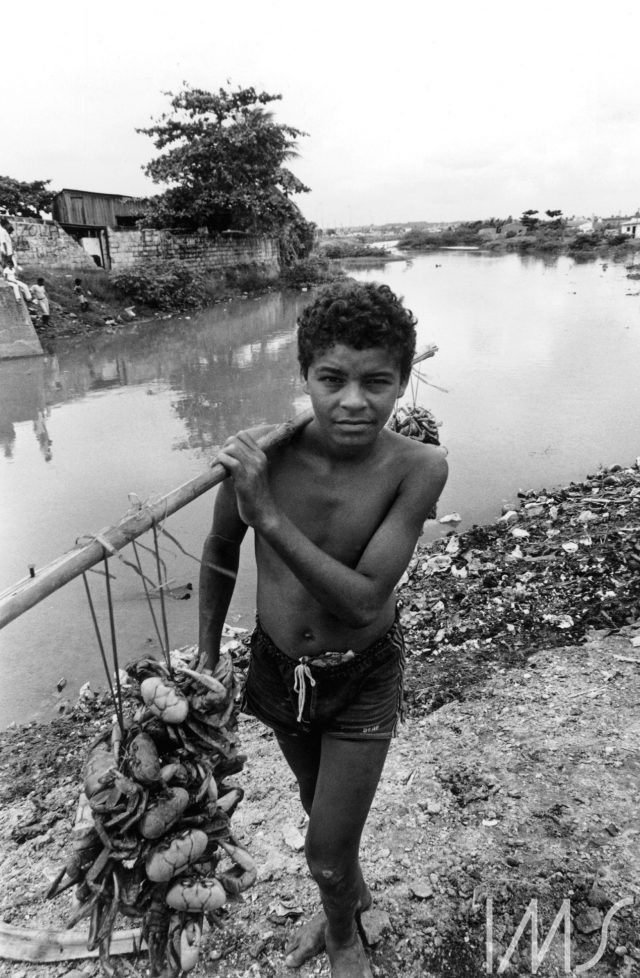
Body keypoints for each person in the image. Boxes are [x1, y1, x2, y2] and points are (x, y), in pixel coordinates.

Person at [198, 280, 448, 978]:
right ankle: (350, 895)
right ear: (304, 374)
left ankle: (342, 935)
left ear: (403, 382)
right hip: (278, 669)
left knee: (324, 851)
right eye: (331, 379)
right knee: (317, 808)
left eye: (378, 382)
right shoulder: (261, 456)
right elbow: (218, 554)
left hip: (362, 674)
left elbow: (366, 600)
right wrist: (210, 656)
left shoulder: (418, 467)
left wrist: (267, 515)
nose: (353, 401)